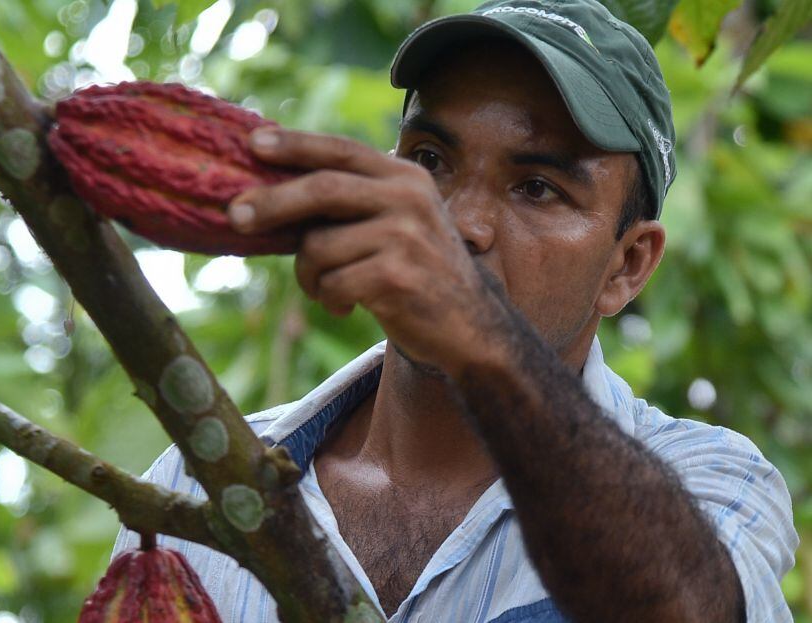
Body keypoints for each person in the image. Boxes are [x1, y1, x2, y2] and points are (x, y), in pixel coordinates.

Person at [113, 0, 799, 620]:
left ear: (627, 266)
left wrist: (483, 338)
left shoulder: (714, 487)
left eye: (536, 187)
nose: (459, 222)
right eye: (430, 158)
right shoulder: (192, 485)